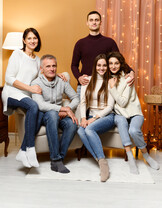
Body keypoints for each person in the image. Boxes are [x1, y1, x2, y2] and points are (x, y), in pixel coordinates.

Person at [107, 52, 160, 174]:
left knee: (133, 131)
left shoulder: (128, 78)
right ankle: (130, 158)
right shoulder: (108, 79)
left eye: (116, 63)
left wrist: (112, 88)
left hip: (134, 112)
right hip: (120, 114)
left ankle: (146, 156)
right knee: (120, 120)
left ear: (121, 64)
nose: (113, 66)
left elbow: (123, 102)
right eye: (110, 63)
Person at [2, 28, 43, 168]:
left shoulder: (37, 60)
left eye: (35, 38)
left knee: (38, 112)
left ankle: (23, 151)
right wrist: (30, 89)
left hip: (25, 96)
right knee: (33, 106)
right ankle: (30, 149)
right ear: (24, 40)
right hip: (12, 93)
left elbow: (39, 79)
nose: (33, 41)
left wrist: (60, 75)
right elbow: (9, 78)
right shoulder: (17, 54)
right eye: (30, 38)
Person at [31, 54, 79, 173]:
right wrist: (61, 109)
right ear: (41, 69)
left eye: (54, 66)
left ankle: (58, 159)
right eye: (48, 66)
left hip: (60, 113)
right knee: (52, 114)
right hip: (44, 115)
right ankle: (56, 158)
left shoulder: (62, 81)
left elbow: (76, 98)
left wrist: (67, 107)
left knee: (72, 124)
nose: (52, 69)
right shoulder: (36, 83)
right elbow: (41, 105)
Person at [71, 10, 134, 97]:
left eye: (96, 20)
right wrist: (79, 77)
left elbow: (119, 61)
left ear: (100, 23)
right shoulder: (80, 43)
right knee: (81, 110)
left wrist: (130, 71)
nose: (94, 22)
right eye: (91, 20)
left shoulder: (109, 42)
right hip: (85, 84)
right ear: (87, 23)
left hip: (104, 84)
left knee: (105, 110)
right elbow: (74, 65)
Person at [77, 54, 115, 182]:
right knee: (80, 130)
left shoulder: (110, 81)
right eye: (99, 65)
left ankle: (102, 165)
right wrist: (83, 118)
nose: (102, 68)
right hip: (90, 116)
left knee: (89, 129)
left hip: (107, 116)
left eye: (104, 65)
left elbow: (110, 106)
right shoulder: (87, 80)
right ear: (95, 66)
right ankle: (101, 161)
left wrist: (94, 118)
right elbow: (83, 102)